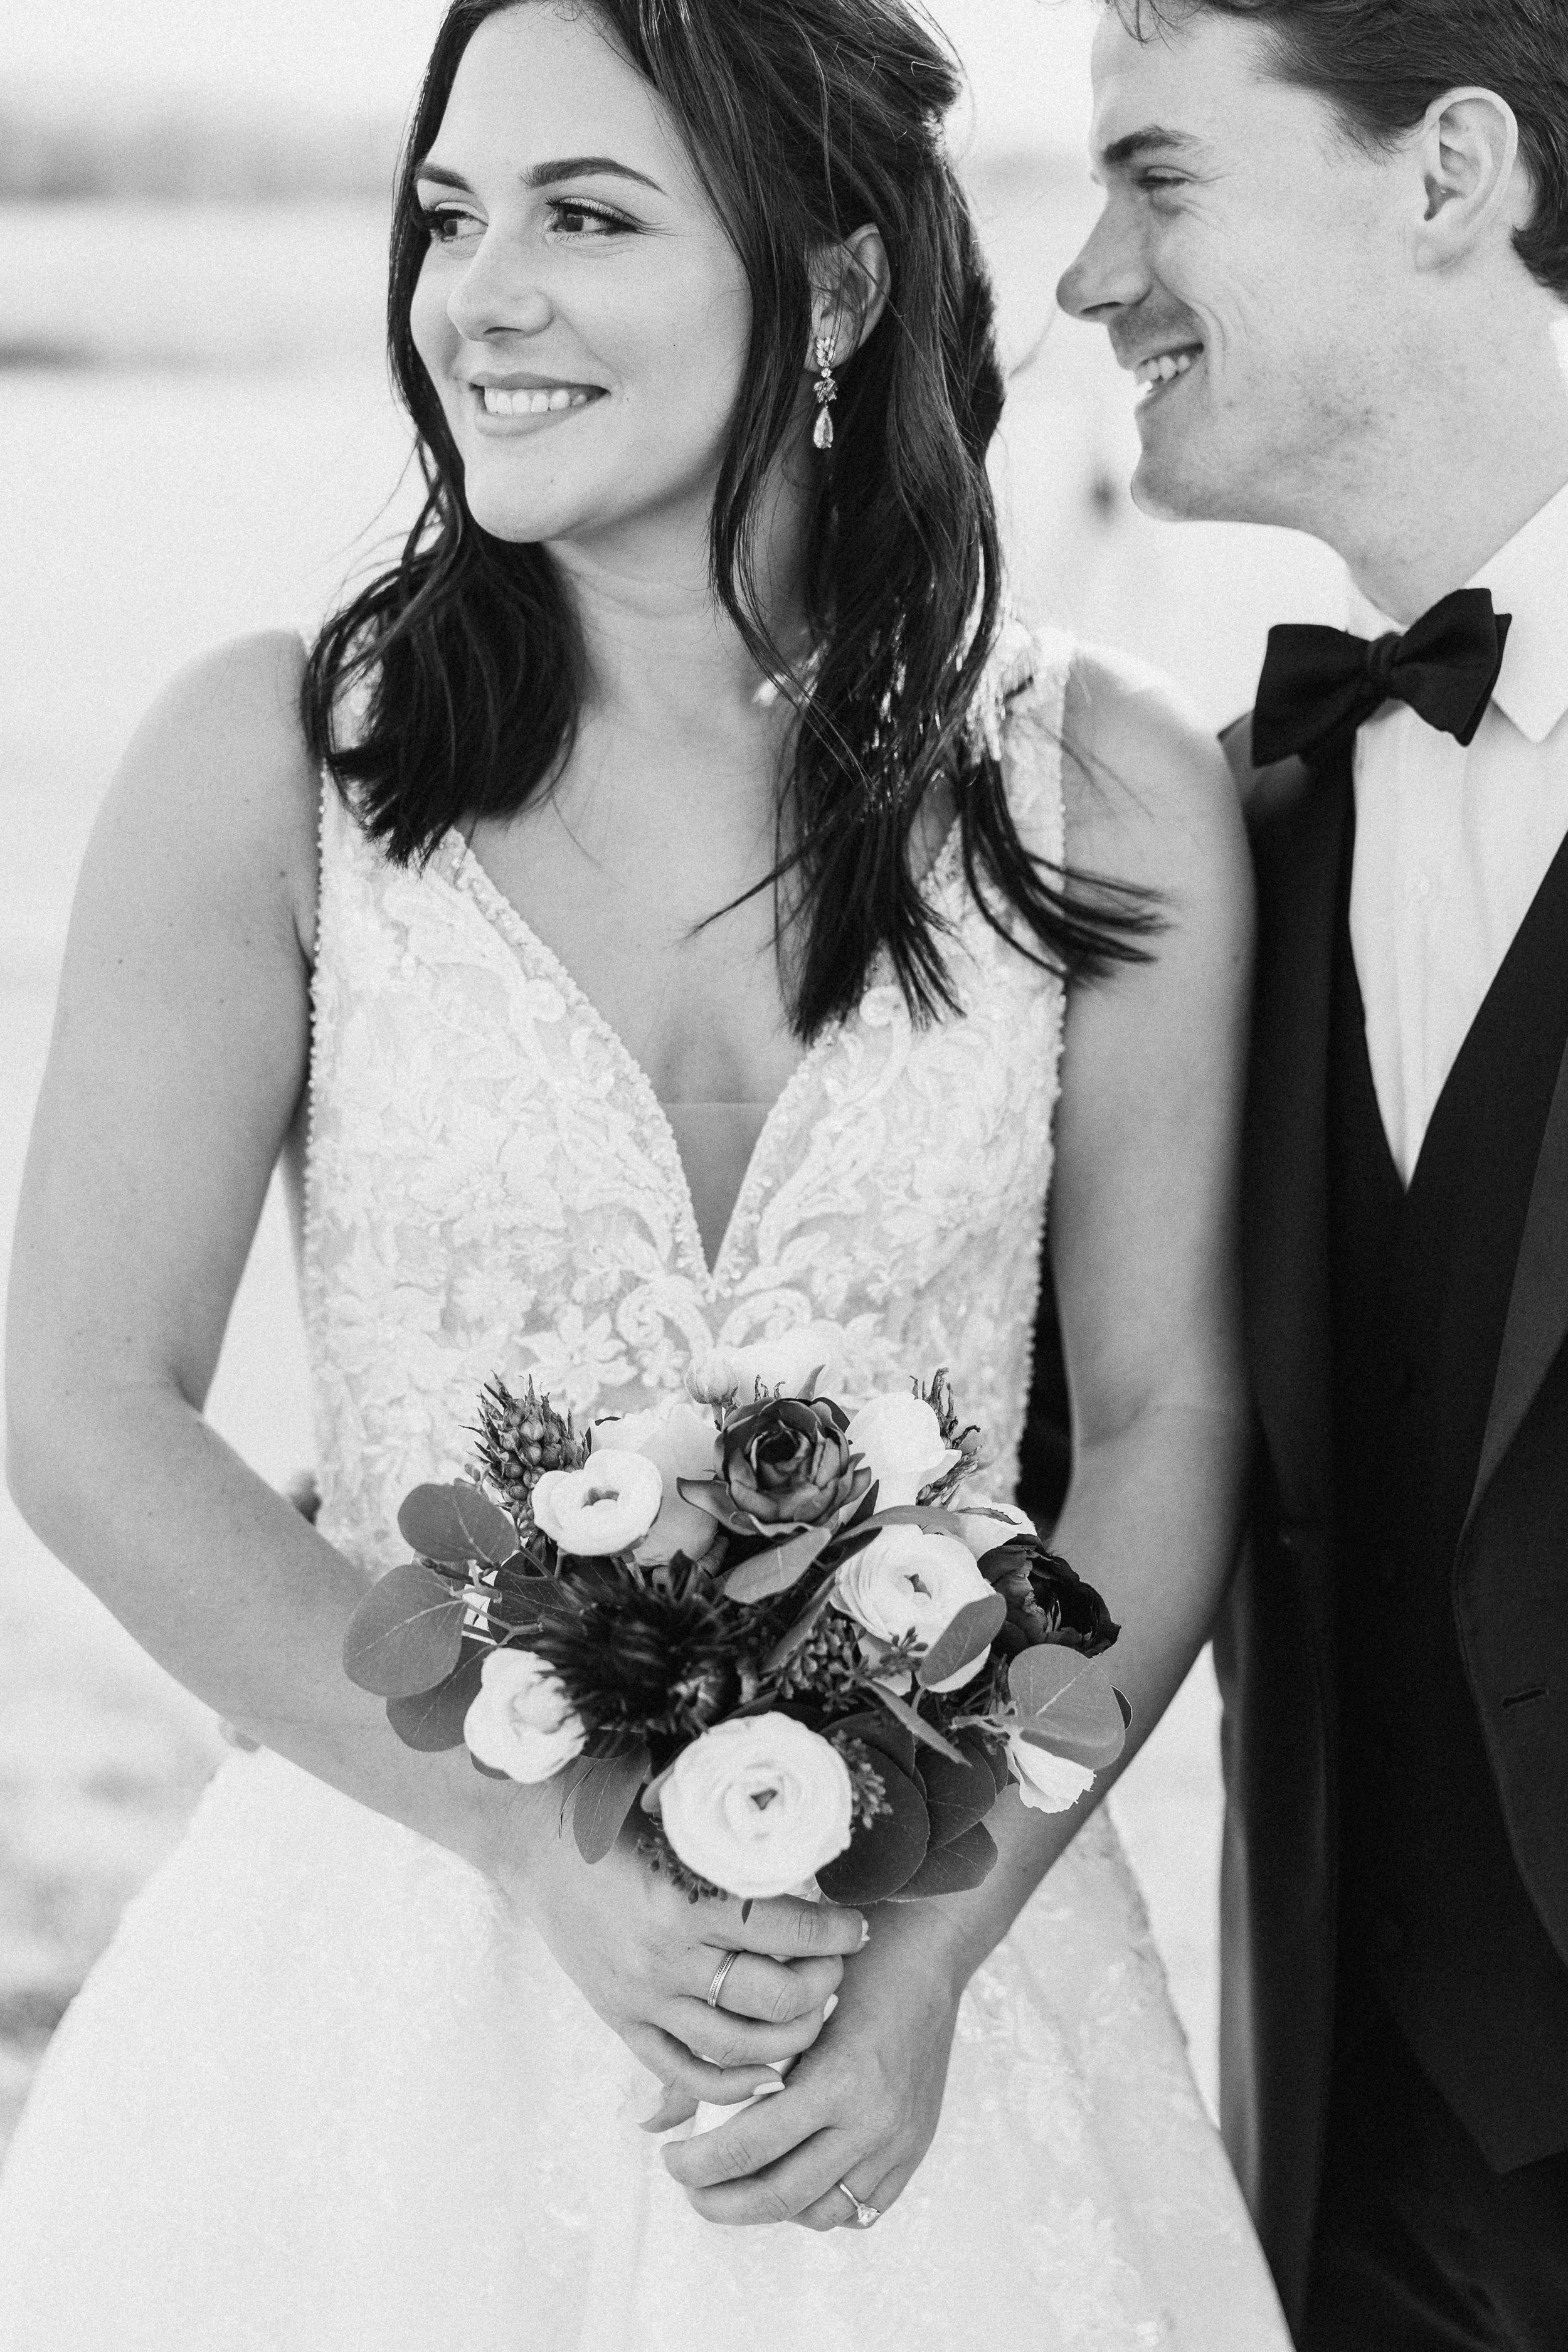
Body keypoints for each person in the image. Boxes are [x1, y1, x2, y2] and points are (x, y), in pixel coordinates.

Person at [0, 3, 1287, 2345]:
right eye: (448, 214)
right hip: (377, 1990)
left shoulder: (1101, 786)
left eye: (584, 217)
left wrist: (932, 1942)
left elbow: (1168, 1416)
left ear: (826, 292)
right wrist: (519, 1834)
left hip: (934, 1996)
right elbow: (83, 1400)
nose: (478, 291)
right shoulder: (273, 769)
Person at [1055, 3, 1568, 2345]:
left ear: (1448, 175)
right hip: (1369, 2210)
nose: (1085, 276)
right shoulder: (1229, 842)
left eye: (1158, 176)